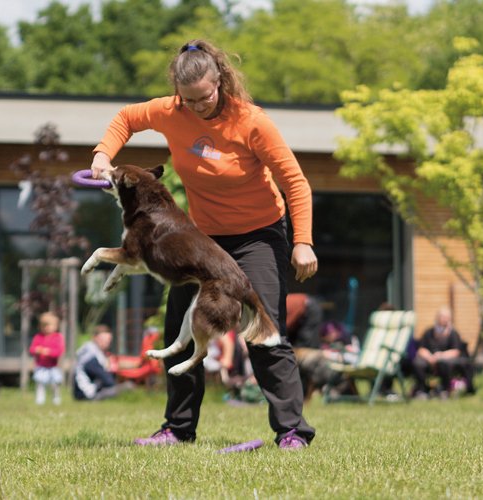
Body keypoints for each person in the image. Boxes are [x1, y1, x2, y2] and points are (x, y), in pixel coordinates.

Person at [89, 39, 317, 449]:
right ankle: (177, 429)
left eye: (205, 97)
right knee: (179, 324)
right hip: (204, 237)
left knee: (262, 328)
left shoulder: (251, 121)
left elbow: (295, 183)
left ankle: (292, 431)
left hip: (258, 235)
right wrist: (103, 154)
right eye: (188, 99)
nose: (197, 106)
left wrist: (302, 241)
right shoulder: (169, 111)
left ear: (220, 81)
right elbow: (125, 117)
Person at [412, 306, 475, 399]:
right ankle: (422, 390)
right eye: (443, 317)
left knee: (443, 363)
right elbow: (421, 349)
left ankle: (444, 390)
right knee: (417, 363)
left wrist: (440, 356)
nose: (445, 319)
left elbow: (456, 351)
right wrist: (429, 357)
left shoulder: (453, 333)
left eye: (447, 317)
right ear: (437, 318)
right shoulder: (429, 332)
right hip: (429, 359)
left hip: (446, 360)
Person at [73, 325, 129, 401]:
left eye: (108, 340)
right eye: (103, 340)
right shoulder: (91, 357)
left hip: (83, 393)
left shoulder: (89, 351)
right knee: (128, 386)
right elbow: (109, 381)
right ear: (95, 338)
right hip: (87, 395)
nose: (106, 343)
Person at [29, 311, 66, 405]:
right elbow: (32, 349)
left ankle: (56, 398)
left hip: (53, 366)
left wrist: (49, 352)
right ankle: (40, 399)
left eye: (48, 325)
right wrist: (37, 350)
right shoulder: (38, 337)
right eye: (44, 326)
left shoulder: (58, 337)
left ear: (55, 326)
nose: (46, 328)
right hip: (41, 365)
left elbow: (59, 351)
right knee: (40, 383)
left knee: (55, 383)